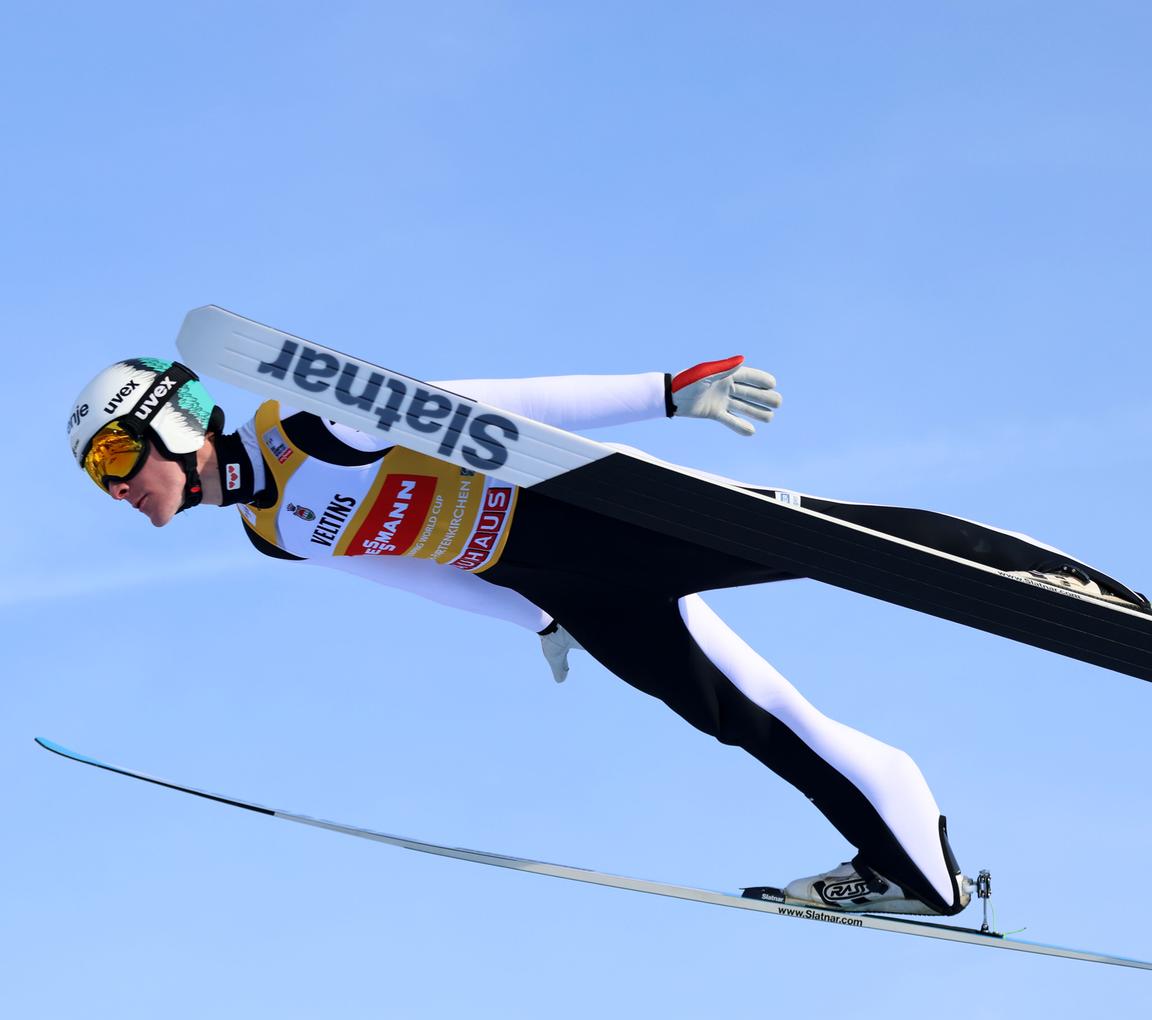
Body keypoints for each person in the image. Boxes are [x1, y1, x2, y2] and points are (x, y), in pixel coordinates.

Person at [66, 354, 1147, 919]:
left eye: (116, 459)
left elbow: (485, 403)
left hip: (596, 515)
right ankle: (911, 863)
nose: (118, 490)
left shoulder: (308, 425)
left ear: (170, 418)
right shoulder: (271, 534)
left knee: (846, 541)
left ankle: (1085, 592)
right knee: (744, 716)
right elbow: (409, 571)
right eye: (101, 479)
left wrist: (664, 394)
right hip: (561, 583)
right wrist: (533, 616)